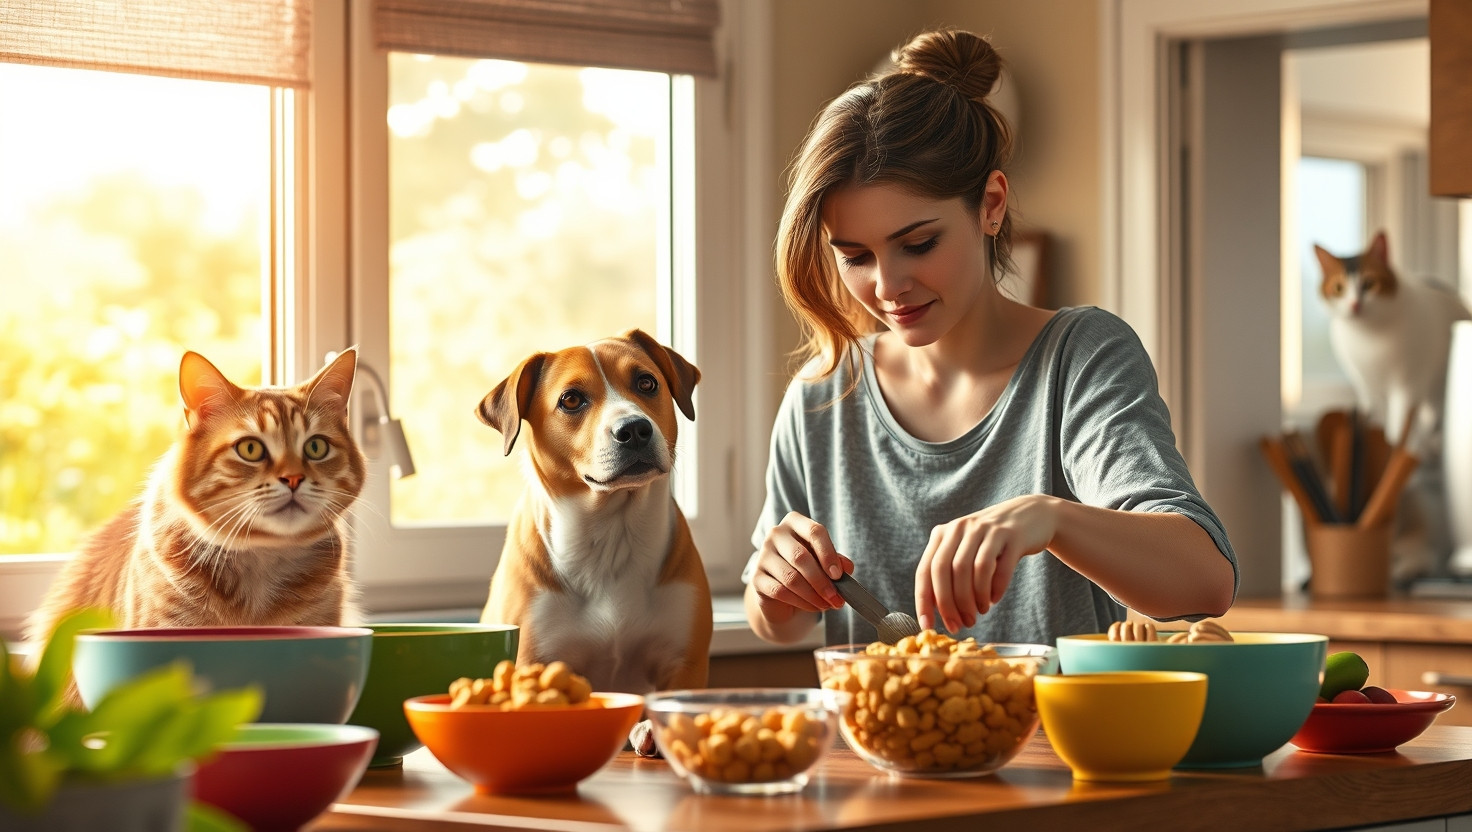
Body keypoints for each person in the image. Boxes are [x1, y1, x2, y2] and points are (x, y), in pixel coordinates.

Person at [742, 28, 1237, 648]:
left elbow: (1203, 581)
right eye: (855, 256)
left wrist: (1048, 518)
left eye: (918, 244)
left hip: (1060, 746)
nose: (888, 286)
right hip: (874, 747)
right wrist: (774, 583)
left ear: (991, 205)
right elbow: (781, 627)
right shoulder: (823, 393)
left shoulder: (1081, 359)